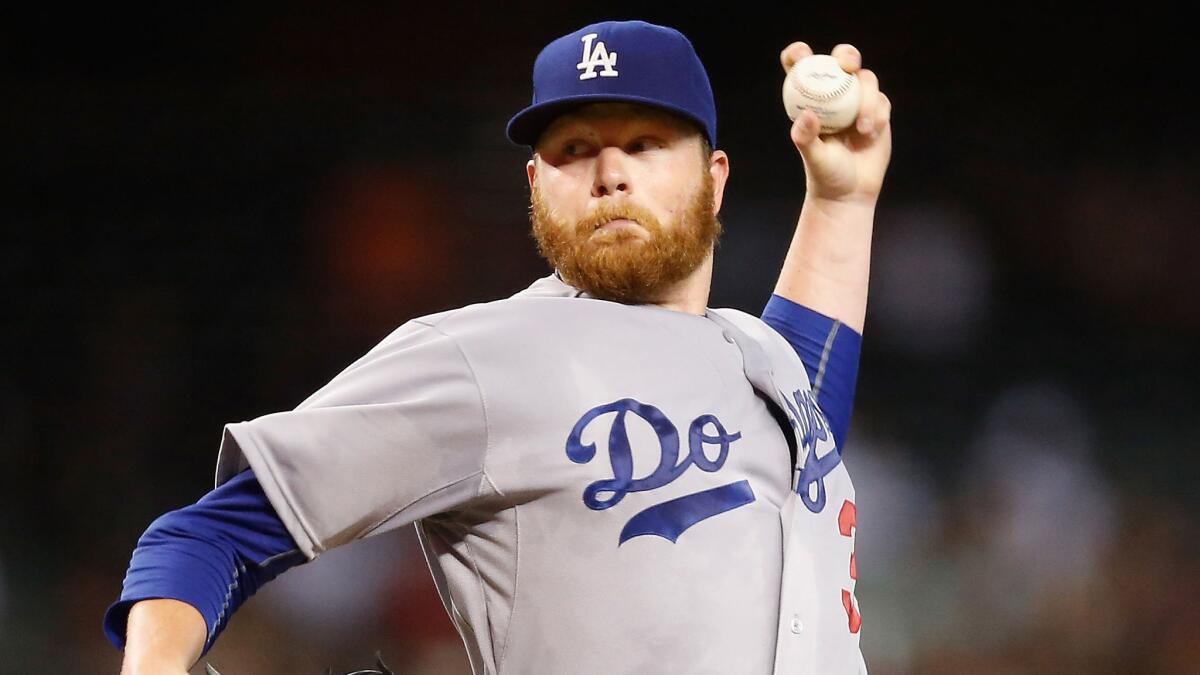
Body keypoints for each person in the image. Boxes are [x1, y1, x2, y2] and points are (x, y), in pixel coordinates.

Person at [105, 19, 891, 675]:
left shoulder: (753, 350)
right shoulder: (484, 356)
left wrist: (841, 198)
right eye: (574, 149)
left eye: (645, 142)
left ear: (715, 178)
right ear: (534, 187)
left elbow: (798, 416)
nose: (609, 172)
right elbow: (206, 537)